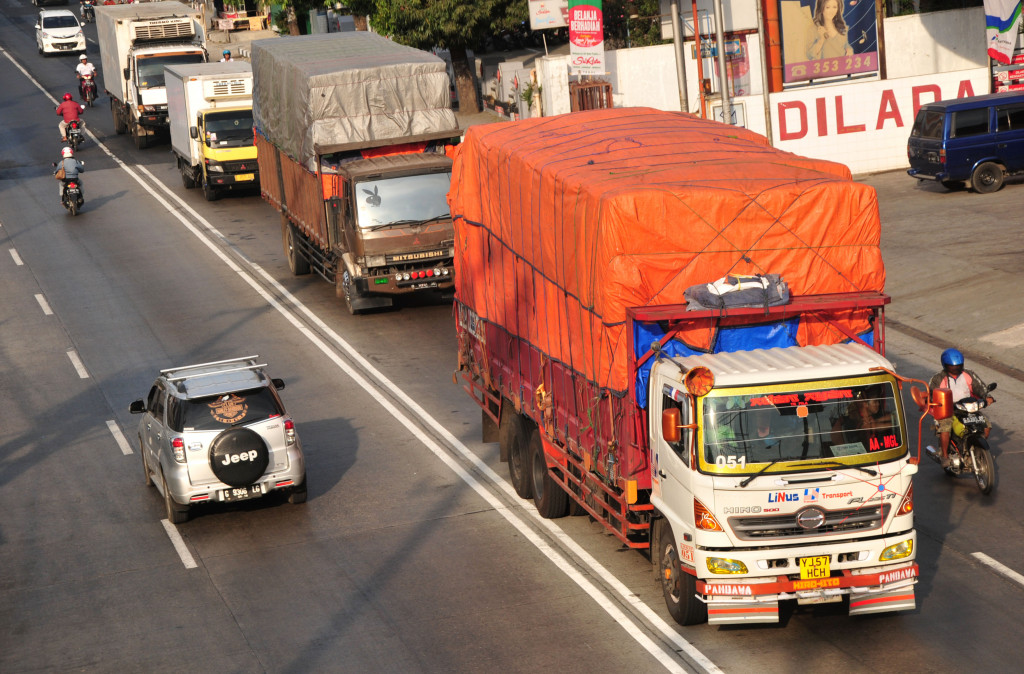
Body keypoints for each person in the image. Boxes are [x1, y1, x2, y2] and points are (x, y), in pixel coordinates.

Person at [929, 348, 993, 468]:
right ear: (946, 366)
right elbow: (932, 394)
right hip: (948, 410)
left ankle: (979, 448)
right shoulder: (937, 378)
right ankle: (945, 456)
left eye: (959, 366)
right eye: (953, 367)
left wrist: (987, 397)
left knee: (986, 425)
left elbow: (980, 387)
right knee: (945, 427)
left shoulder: (969, 374)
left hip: (968, 407)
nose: (956, 368)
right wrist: (934, 401)